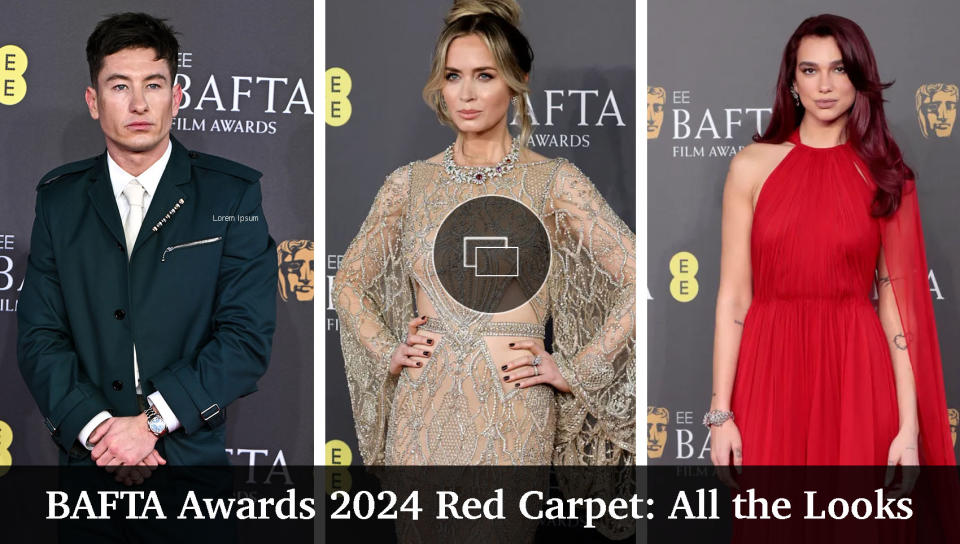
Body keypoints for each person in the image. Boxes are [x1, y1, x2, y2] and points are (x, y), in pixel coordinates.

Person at [334, 0, 635, 466]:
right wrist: (387, 348)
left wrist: (574, 370)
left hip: (513, 412)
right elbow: (347, 281)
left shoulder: (553, 182)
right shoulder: (409, 184)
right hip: (421, 412)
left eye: (485, 75)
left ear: (518, 83)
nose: (466, 94)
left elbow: (636, 281)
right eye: (453, 76)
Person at [16, 12, 277, 480]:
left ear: (176, 98)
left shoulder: (231, 194)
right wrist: (103, 433)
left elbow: (245, 338)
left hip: (189, 462)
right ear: (93, 102)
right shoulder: (58, 200)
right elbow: (40, 338)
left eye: (153, 85)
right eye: (120, 87)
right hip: (90, 464)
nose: (139, 103)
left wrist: (151, 425)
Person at [707, 14, 955, 467]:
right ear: (791, 82)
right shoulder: (751, 167)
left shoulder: (884, 174)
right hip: (772, 371)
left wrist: (909, 428)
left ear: (859, 77)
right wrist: (721, 413)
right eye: (809, 70)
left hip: (857, 370)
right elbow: (734, 298)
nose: (824, 84)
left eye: (839, 69)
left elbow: (897, 309)